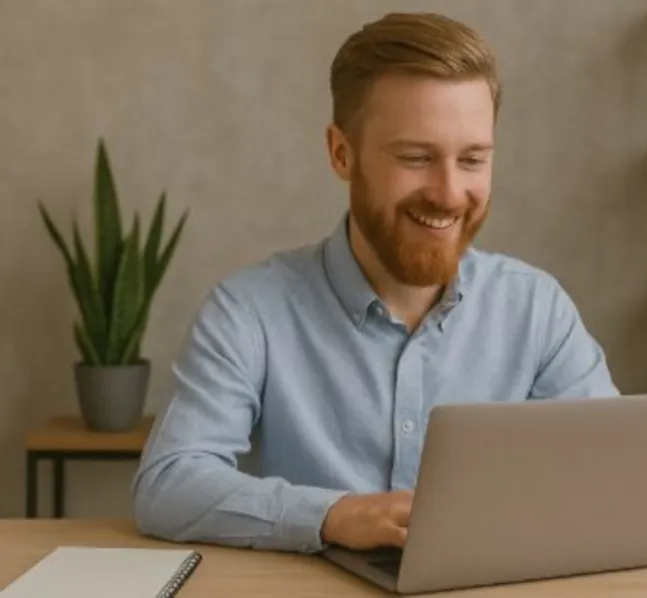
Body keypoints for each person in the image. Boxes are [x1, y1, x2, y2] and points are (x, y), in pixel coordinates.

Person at [131, 11, 618, 555]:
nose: (449, 193)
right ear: (342, 153)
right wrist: (331, 516)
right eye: (416, 158)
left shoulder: (537, 309)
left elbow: (613, 479)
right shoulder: (249, 311)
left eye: (473, 159)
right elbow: (167, 485)